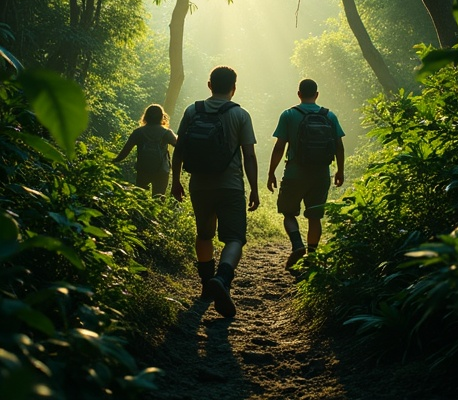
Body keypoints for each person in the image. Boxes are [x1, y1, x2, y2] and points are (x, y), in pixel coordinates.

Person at [171, 66, 259, 318]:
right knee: (234, 238)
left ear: (209, 85)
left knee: (205, 234)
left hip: (199, 184)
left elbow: (179, 149)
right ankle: (222, 278)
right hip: (230, 185)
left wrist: (176, 180)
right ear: (234, 87)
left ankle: (206, 285)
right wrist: (253, 188)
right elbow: (249, 155)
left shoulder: (192, 111)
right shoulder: (240, 114)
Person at [267, 78, 345, 272]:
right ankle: (311, 256)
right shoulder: (330, 116)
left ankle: (297, 245)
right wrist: (340, 170)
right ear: (317, 95)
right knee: (314, 216)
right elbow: (339, 146)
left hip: (294, 173)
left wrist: (271, 172)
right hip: (320, 174)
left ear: (299, 94)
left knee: (288, 213)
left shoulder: (289, 114)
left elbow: (279, 147)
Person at [113, 104, 177, 196]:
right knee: (159, 197)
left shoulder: (138, 132)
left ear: (146, 116)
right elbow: (180, 146)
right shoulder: (166, 133)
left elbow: (125, 152)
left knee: (139, 196)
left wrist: (113, 160)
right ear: (162, 117)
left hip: (143, 169)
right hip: (161, 170)